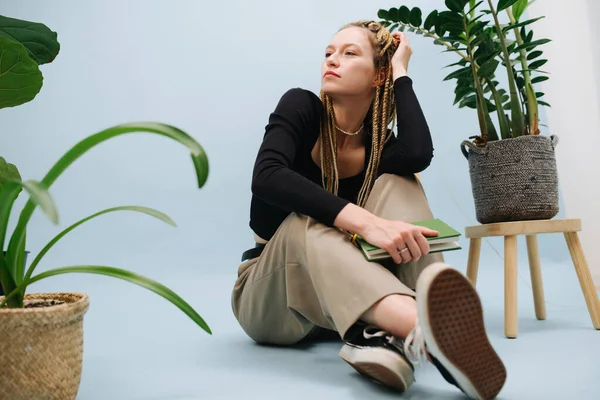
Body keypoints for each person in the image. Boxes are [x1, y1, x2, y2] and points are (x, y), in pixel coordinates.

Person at [231, 20, 507, 400]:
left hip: (348, 300)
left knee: (401, 180)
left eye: (349, 53)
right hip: (274, 301)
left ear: (378, 76)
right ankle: (427, 326)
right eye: (329, 53)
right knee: (303, 224)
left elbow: (417, 154)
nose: (332, 60)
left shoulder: (380, 146)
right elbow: (267, 177)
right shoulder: (300, 106)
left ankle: (384, 337)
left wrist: (401, 71)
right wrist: (366, 223)